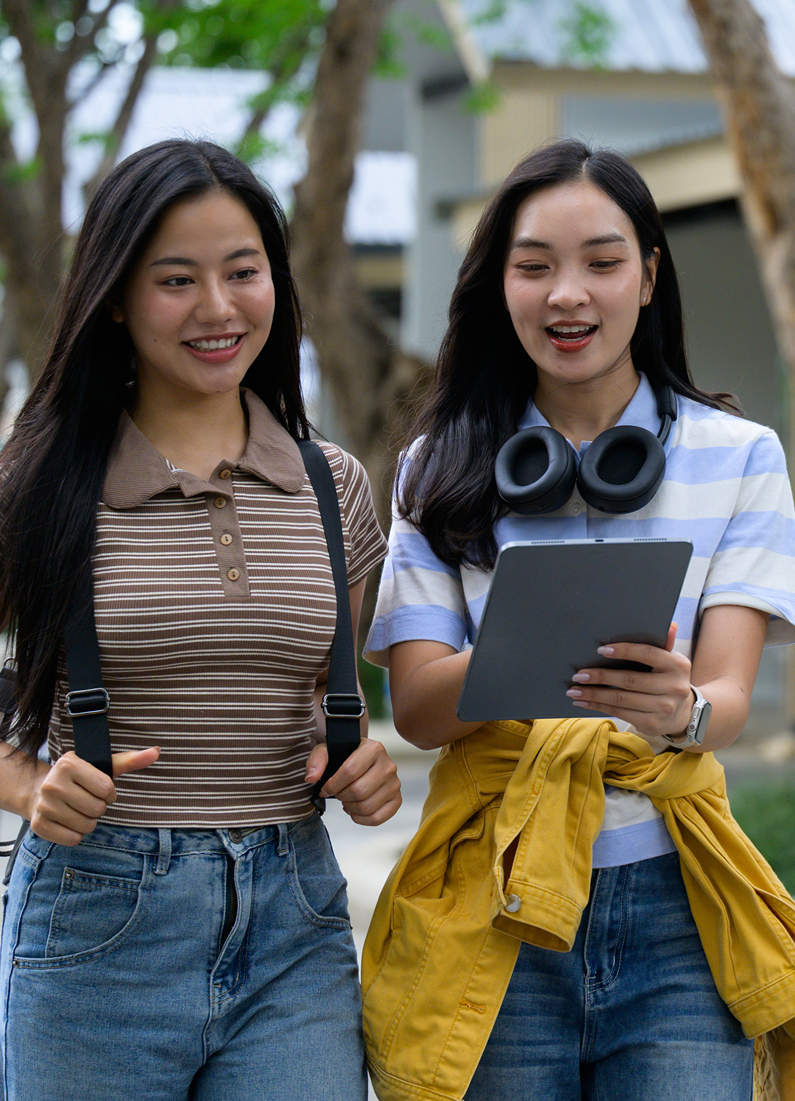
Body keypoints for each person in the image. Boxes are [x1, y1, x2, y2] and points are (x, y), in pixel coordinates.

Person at [0, 138, 401, 1101]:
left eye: (242, 272)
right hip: (99, 917)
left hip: (295, 916)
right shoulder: (43, 482)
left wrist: (358, 766)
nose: (217, 307)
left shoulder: (335, 490)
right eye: (176, 279)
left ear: (275, 287)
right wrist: (27, 783)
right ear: (117, 297)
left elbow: (312, 703)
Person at [359, 139, 795, 1100]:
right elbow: (422, 711)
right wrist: (530, 652)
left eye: (601, 262)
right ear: (498, 285)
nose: (568, 294)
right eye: (534, 267)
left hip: (679, 905)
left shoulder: (741, 456)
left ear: (647, 276)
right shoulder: (438, 466)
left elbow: (722, 697)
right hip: (493, 895)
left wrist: (676, 711)